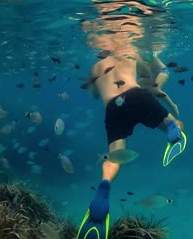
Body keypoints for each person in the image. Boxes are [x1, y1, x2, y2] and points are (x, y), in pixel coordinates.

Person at [76, 47, 187, 239]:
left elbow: (94, 94)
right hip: (137, 95)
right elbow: (150, 77)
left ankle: (103, 189)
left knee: (114, 156)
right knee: (176, 124)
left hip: (113, 107)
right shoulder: (130, 53)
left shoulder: (95, 68)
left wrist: (96, 83)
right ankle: (172, 130)